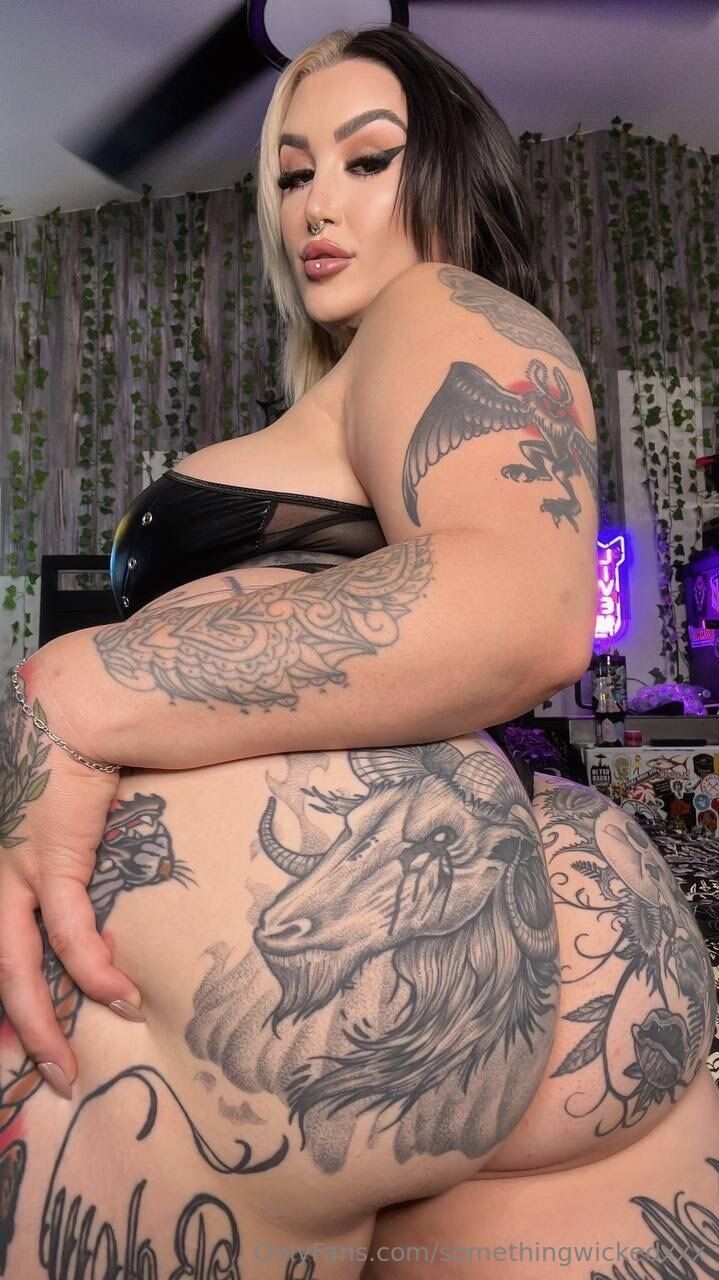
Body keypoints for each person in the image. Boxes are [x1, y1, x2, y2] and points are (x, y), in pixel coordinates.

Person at [0, 23, 716, 1280]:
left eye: (367, 159)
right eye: (291, 172)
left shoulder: (437, 310)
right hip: (519, 972)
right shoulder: (357, 389)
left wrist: (77, 683)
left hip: (325, 973)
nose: (315, 205)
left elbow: (520, 598)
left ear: (447, 175)